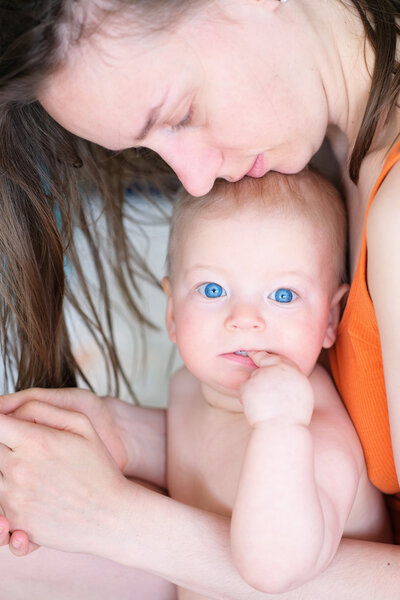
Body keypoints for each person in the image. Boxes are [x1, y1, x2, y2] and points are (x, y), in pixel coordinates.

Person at [0, 0, 400, 598]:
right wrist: (121, 435)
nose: (192, 180)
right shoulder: (319, 150)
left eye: (180, 115)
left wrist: (114, 520)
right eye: (154, 150)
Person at [162, 170, 390, 596]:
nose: (245, 318)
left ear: (330, 319)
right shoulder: (187, 387)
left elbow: (275, 571)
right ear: (172, 313)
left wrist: (279, 428)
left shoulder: (315, 433)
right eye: (212, 289)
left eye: (283, 295)